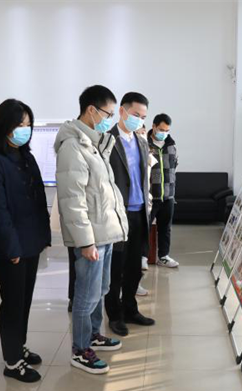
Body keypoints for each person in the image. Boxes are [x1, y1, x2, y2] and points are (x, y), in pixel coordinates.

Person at [54, 85, 127, 374]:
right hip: (91, 237)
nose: (110, 120)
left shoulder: (94, 144)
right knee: (85, 295)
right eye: (109, 114)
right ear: (91, 110)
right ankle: (80, 349)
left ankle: (94, 334)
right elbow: (73, 200)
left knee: (100, 289)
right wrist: (85, 242)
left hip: (104, 231)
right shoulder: (73, 147)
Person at [0, 98, 50, 383]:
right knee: (12, 303)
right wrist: (11, 248)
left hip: (31, 242)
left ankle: (18, 346)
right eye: (20, 124)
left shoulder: (26, 157)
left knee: (24, 300)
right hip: (13, 248)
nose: (25, 129)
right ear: (5, 126)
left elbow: (39, 200)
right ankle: (12, 361)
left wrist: (43, 237)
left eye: (28, 124)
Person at [104, 92, 154, 337]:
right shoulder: (106, 140)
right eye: (136, 115)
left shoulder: (142, 142)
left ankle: (130, 309)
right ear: (122, 111)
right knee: (116, 269)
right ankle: (114, 315)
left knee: (135, 268)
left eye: (143, 117)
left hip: (139, 213)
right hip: (117, 215)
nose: (139, 120)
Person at [145, 113, 179, 268]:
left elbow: (174, 168)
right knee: (144, 228)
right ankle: (142, 257)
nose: (164, 133)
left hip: (168, 196)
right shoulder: (144, 144)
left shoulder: (171, 146)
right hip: (150, 196)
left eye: (167, 130)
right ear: (153, 126)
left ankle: (163, 256)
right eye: (161, 129)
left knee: (165, 229)